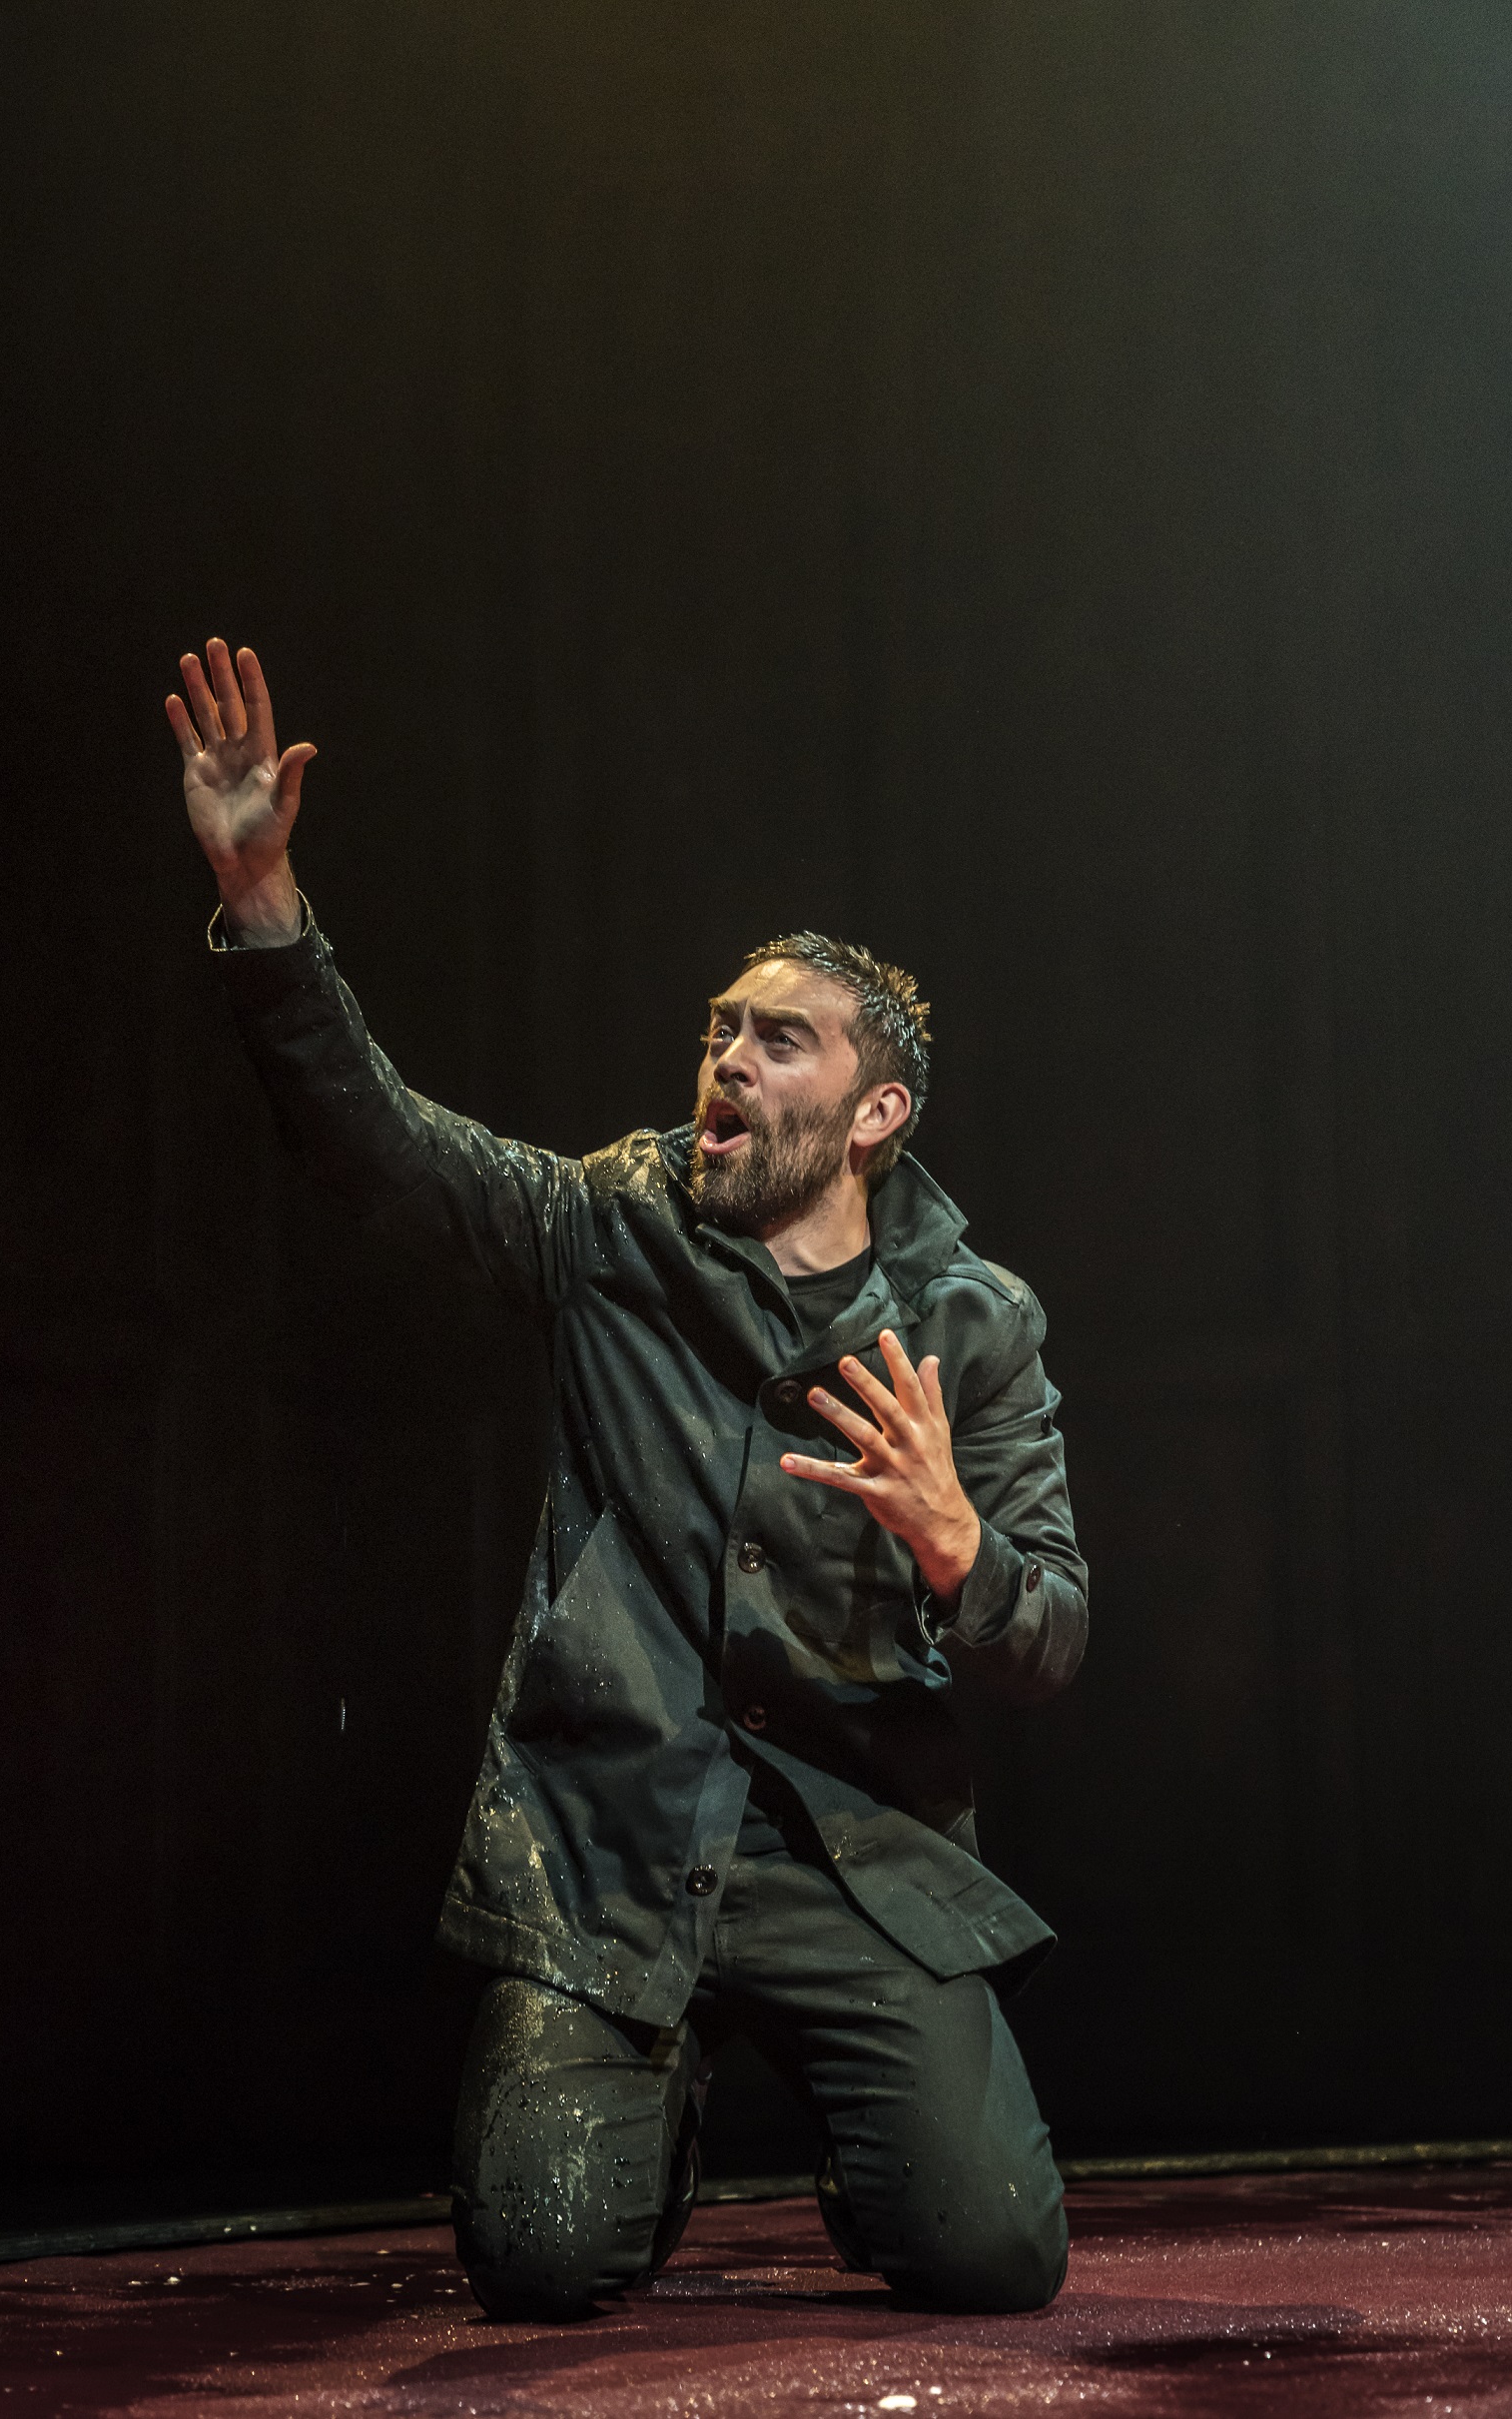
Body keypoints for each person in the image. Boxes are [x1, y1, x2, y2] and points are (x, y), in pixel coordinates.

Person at [168, 637, 1090, 2319]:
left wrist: (964, 1551)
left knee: (993, 2251)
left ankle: (874, 2140)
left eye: (782, 1040)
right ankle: (644, 2119)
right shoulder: (611, 1223)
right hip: (608, 1842)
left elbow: (1053, 1640)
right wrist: (262, 897)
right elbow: (383, 1150)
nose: (729, 1057)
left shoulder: (975, 1322)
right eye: (722, 1028)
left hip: (849, 1855)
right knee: (538, 2254)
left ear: (875, 1109)